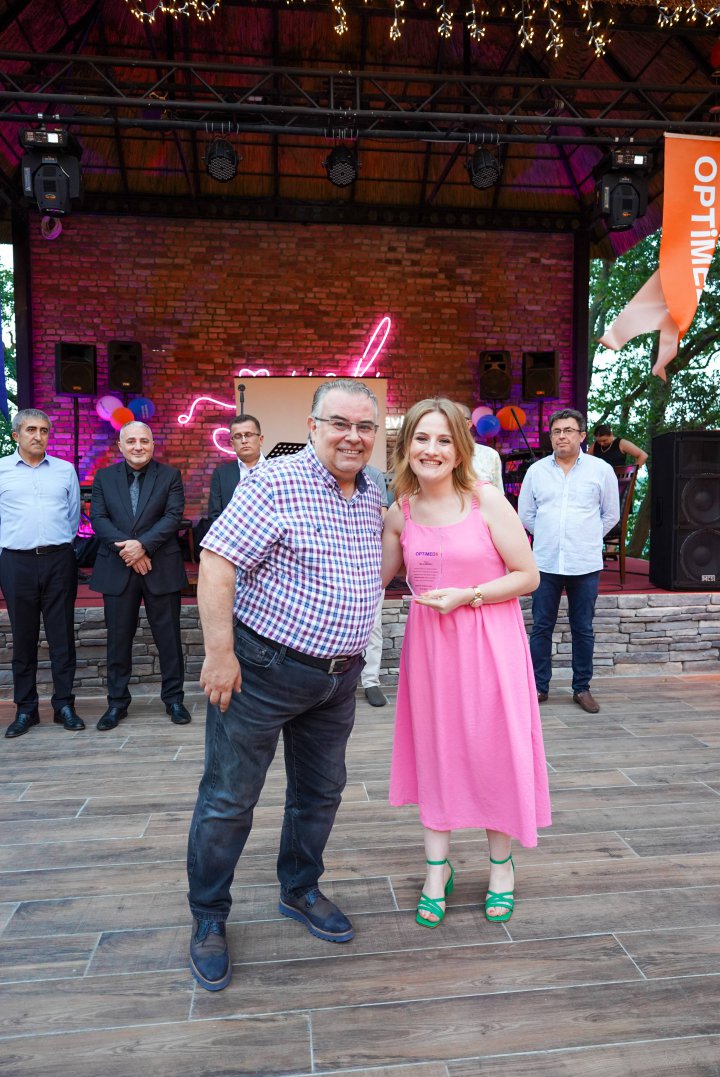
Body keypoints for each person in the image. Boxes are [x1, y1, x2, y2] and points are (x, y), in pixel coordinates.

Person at [187, 378, 383, 992]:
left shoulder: (372, 490)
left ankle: (299, 889)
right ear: (313, 425)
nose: (353, 436)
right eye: (340, 423)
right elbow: (217, 561)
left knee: (321, 793)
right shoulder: (274, 482)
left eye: (365, 427)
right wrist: (219, 653)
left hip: (338, 679)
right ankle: (208, 917)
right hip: (262, 671)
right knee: (229, 798)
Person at [382, 397, 549, 929]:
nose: (431, 449)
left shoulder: (487, 501)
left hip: (490, 645)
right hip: (431, 652)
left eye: (443, 440)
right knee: (437, 753)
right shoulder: (400, 512)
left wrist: (468, 595)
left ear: (459, 450)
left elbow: (528, 575)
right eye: (421, 438)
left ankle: (501, 868)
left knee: (493, 752)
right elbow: (373, 579)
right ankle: (437, 870)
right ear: (406, 446)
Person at [89, 421, 190, 730]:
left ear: (152, 445)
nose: (138, 446)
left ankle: (174, 699)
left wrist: (142, 546)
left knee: (169, 639)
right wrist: (130, 551)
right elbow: (98, 518)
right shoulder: (104, 477)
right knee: (118, 640)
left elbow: (173, 516)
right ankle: (117, 703)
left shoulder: (170, 476)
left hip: (161, 567)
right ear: (120, 446)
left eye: (144, 441)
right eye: (131, 441)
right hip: (118, 567)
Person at [518, 408, 620, 715]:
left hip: (584, 562)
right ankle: (539, 687)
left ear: (582, 435)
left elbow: (611, 514)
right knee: (541, 626)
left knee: (583, 628)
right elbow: (526, 514)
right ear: (551, 437)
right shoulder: (537, 471)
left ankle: (582, 688)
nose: (562, 436)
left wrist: (587, 536)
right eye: (556, 431)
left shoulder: (600, 470)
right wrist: (549, 534)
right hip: (545, 561)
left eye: (568, 430)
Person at [0, 408, 85, 738]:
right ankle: (26, 709)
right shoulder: (1, 470)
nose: (38, 436)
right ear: (16, 435)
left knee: (62, 636)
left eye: (44, 430)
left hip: (58, 561)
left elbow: (73, 517)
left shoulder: (64, 470)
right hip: (16, 562)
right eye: (31, 430)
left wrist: (58, 546)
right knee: (23, 638)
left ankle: (64, 705)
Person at [361, 463, 389, 707]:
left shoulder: (374, 476)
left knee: (374, 626)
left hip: (370, 563)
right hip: (329, 563)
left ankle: (371, 681)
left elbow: (384, 517)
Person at [208, 414, 266, 522]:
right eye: (238, 436)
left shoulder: (276, 469)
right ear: (232, 444)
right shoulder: (221, 474)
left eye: (248, 435)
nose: (244, 441)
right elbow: (214, 516)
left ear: (261, 439)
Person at [454, 402, 504, 492]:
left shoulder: (489, 455)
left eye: (455, 418)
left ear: (468, 424)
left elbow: (498, 493)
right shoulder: (435, 453)